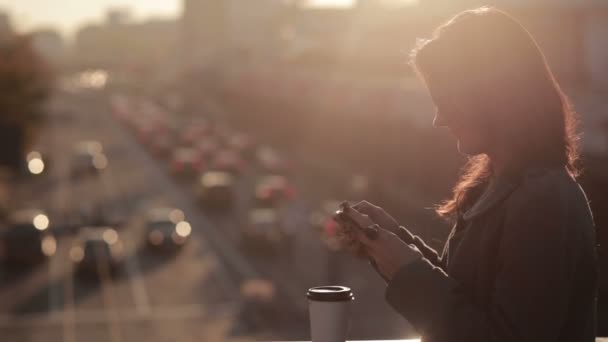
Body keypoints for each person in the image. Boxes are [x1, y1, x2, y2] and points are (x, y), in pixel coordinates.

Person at [339, 7, 598, 342]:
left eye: (444, 101)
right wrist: (396, 245)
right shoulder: (507, 186)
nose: (439, 120)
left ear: (489, 97)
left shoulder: (543, 203)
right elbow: (472, 298)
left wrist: (408, 272)